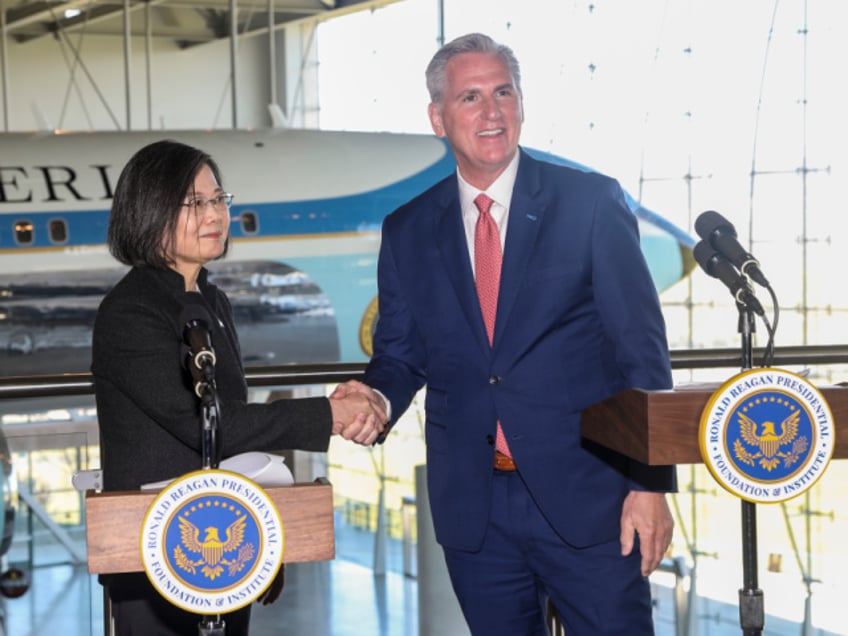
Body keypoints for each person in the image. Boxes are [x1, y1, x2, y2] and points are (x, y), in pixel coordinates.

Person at [334, 33, 675, 635]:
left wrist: (649, 485)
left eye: (503, 93)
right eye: (470, 97)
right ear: (438, 118)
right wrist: (376, 400)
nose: (491, 112)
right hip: (476, 512)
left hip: (591, 503)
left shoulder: (591, 202)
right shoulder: (408, 229)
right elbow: (400, 355)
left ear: (520, 104)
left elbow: (640, 353)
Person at [91, 139, 386, 636]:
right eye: (195, 202)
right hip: (154, 553)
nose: (215, 214)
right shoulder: (131, 312)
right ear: (148, 211)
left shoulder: (210, 300)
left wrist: (263, 542)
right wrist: (329, 416)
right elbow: (200, 422)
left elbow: (229, 421)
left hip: (226, 549)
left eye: (218, 199)